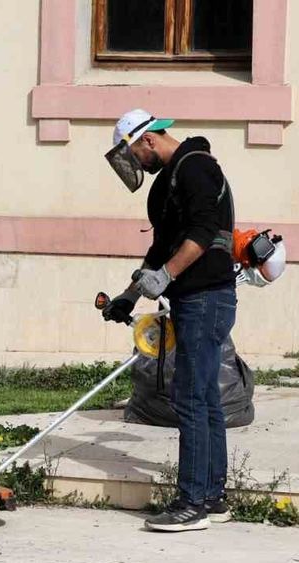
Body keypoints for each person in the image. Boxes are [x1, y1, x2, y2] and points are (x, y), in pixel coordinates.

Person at [101, 109, 237, 533]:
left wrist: (167, 276)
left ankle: (191, 503)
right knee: (204, 396)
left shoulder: (196, 168)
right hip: (191, 298)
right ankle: (211, 497)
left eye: (134, 156)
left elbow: (203, 232)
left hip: (207, 297)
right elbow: (159, 250)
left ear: (148, 140)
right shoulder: (166, 184)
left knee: (190, 397)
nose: (136, 165)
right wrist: (130, 294)